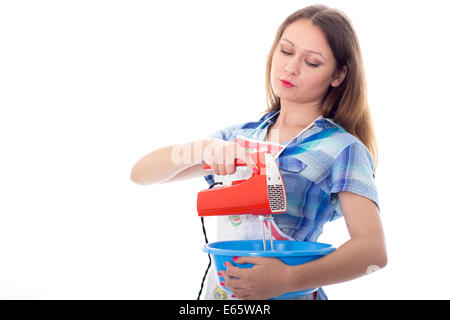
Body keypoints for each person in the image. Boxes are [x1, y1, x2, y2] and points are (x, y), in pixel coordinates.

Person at [130, 4, 387, 300]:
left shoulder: (342, 149)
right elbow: (141, 174)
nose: (291, 67)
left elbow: (372, 252)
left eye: (312, 62)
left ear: (338, 75)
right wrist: (204, 148)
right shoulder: (238, 138)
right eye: (286, 51)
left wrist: (289, 279)